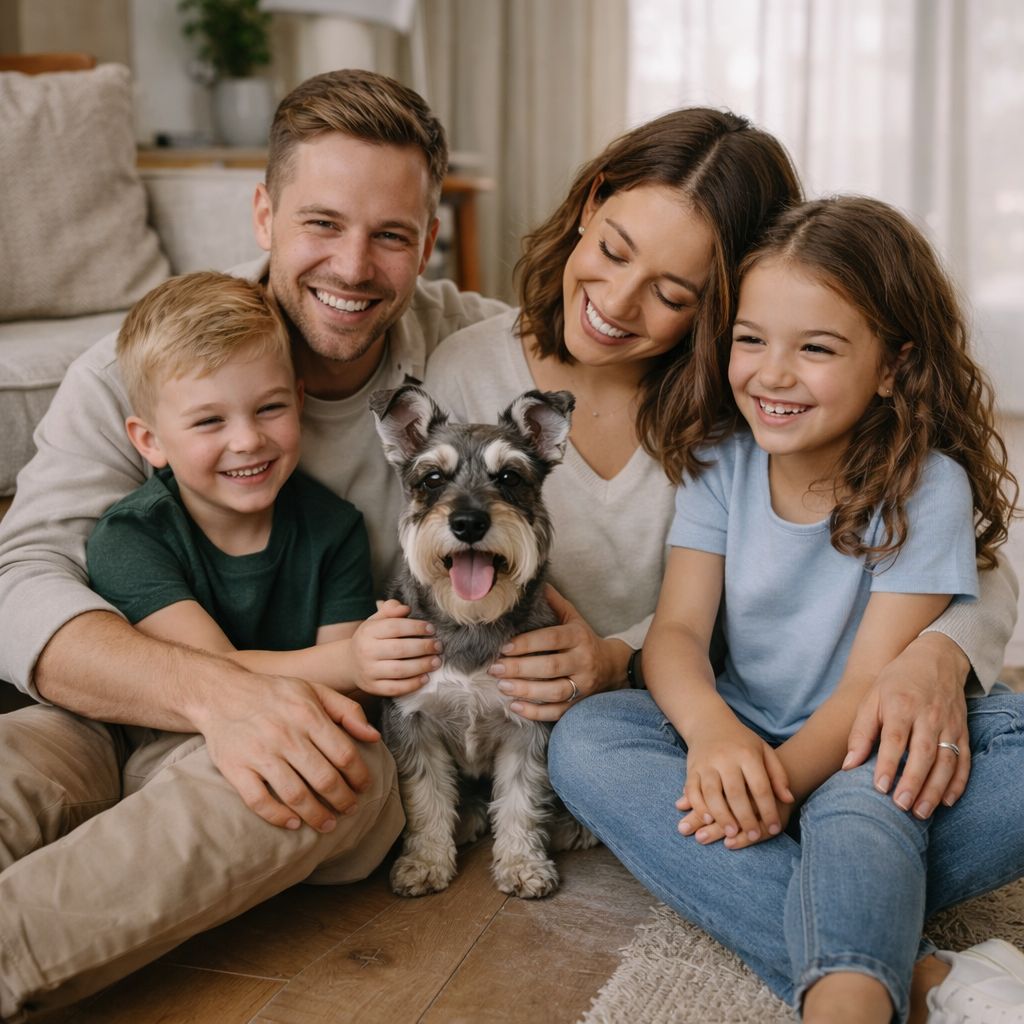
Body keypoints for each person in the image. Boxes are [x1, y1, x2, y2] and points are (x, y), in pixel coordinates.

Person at [0, 69, 504, 1019]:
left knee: (340, 768)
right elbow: (23, 582)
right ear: (265, 214)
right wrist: (216, 694)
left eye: (391, 235)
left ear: (428, 239)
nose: (353, 267)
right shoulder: (145, 364)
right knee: (21, 758)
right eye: (322, 223)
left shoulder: (474, 352)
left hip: (311, 733)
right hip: (114, 713)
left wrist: (604, 649)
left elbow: (615, 365)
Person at [549, 197, 1024, 1024]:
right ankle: (905, 963)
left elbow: (868, 687)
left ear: (893, 366)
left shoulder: (927, 485)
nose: (772, 374)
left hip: (869, 743)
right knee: (587, 740)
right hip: (744, 727)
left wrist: (776, 794)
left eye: (816, 348)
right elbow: (678, 633)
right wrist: (713, 735)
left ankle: (841, 948)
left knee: (897, 792)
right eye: (751, 339)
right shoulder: (719, 462)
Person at [88, 271, 441, 699]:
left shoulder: (334, 527)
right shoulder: (131, 537)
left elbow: (348, 695)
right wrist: (349, 661)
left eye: (269, 408)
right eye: (209, 420)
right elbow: (212, 675)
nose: (248, 441)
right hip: (176, 725)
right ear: (150, 441)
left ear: (299, 401)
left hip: (311, 719)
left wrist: (369, 659)